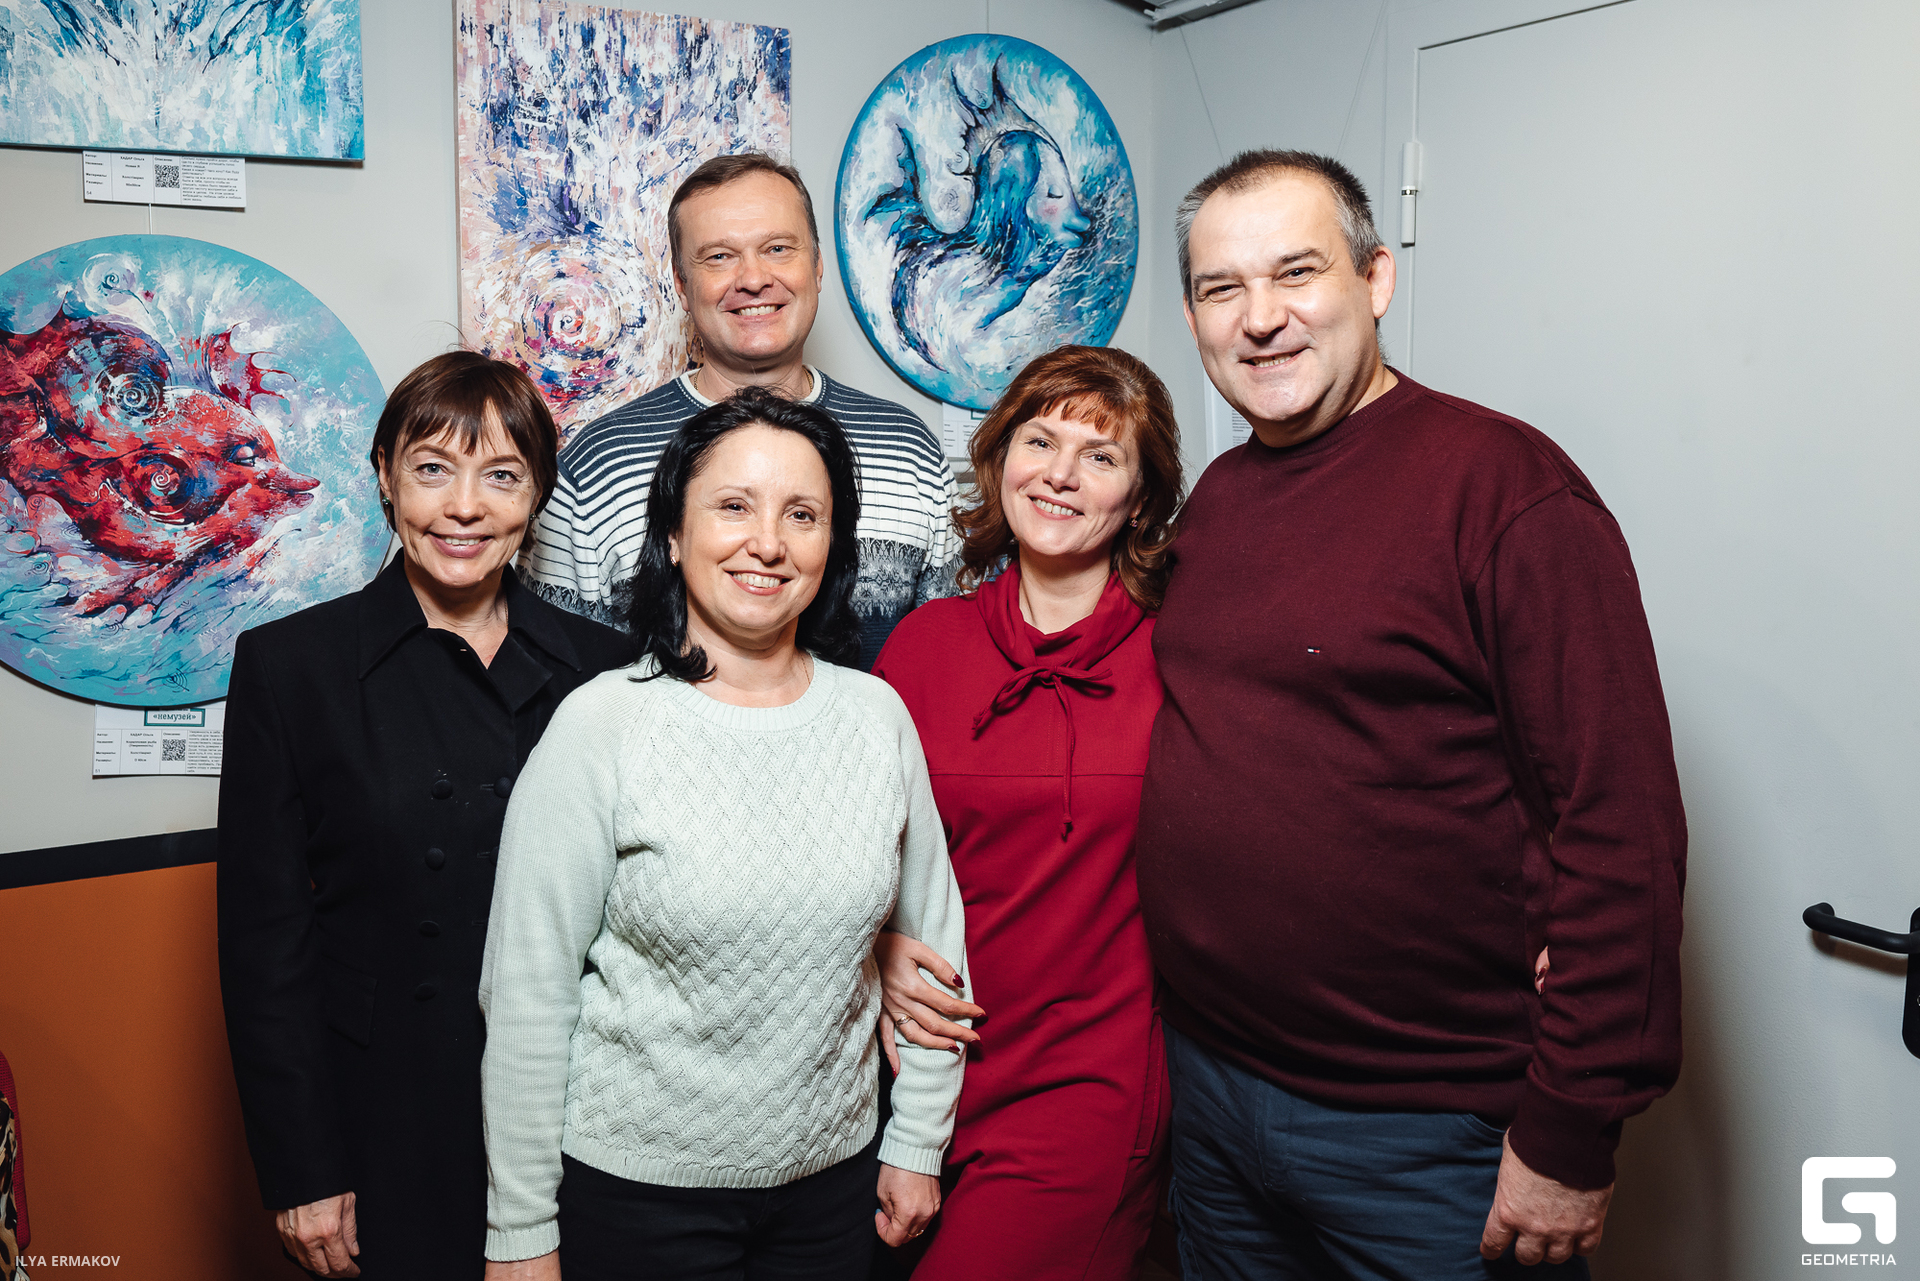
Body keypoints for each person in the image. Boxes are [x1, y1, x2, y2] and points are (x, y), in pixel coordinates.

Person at [1137, 149, 1688, 1279]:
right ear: (1192, 317)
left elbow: (1621, 829)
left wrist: (1571, 1127)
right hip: (1212, 1092)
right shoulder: (1219, 498)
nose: (1260, 318)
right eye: (1222, 289)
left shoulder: (1506, 490)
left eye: (1297, 273)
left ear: (1376, 279)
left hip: (1427, 1133)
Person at [478, 387, 969, 1281]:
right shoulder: (601, 726)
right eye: (734, 506)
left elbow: (936, 949)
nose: (768, 542)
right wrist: (520, 1228)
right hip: (638, 1201)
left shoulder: (878, 718)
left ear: (833, 544)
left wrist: (918, 1141)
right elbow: (526, 994)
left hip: (834, 1192)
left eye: (802, 514)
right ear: (673, 533)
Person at [216, 351, 634, 1280]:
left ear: (537, 495)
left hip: (579, 1111)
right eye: (433, 469)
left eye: (502, 476)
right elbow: (265, 944)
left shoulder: (607, 670)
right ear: (385, 477)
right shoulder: (292, 668)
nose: (464, 507)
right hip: (384, 1117)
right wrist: (302, 1166)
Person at [870, 345, 1187, 1279]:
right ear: (1000, 457)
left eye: (1101, 455)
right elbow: (857, 850)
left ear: (1141, 499)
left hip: (1084, 1086)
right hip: (914, 1074)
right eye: (1039, 441)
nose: (1059, 473)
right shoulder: (923, 644)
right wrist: (876, 944)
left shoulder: (1182, 657)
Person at [525, 151, 961, 668]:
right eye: (719, 256)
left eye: (777, 248)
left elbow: (950, 660)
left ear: (817, 266)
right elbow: (555, 670)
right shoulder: (599, 462)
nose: (753, 279)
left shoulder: (905, 446)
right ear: (682, 286)